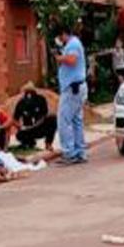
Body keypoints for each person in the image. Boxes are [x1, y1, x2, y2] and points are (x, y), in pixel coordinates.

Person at [54, 23, 88, 165]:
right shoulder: (73, 43)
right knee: (76, 121)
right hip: (77, 87)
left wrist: (59, 58)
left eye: (59, 37)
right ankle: (79, 151)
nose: (59, 40)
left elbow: (72, 60)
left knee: (63, 120)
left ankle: (69, 152)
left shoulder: (73, 44)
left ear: (63, 34)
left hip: (72, 89)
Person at [13, 82, 57, 151]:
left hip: (39, 126)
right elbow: (15, 119)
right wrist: (21, 127)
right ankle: (29, 143)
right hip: (27, 128)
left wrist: (36, 124)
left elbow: (44, 115)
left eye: (31, 91)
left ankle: (48, 144)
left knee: (52, 119)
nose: (29, 94)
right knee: (19, 135)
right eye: (27, 91)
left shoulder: (41, 99)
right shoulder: (21, 103)